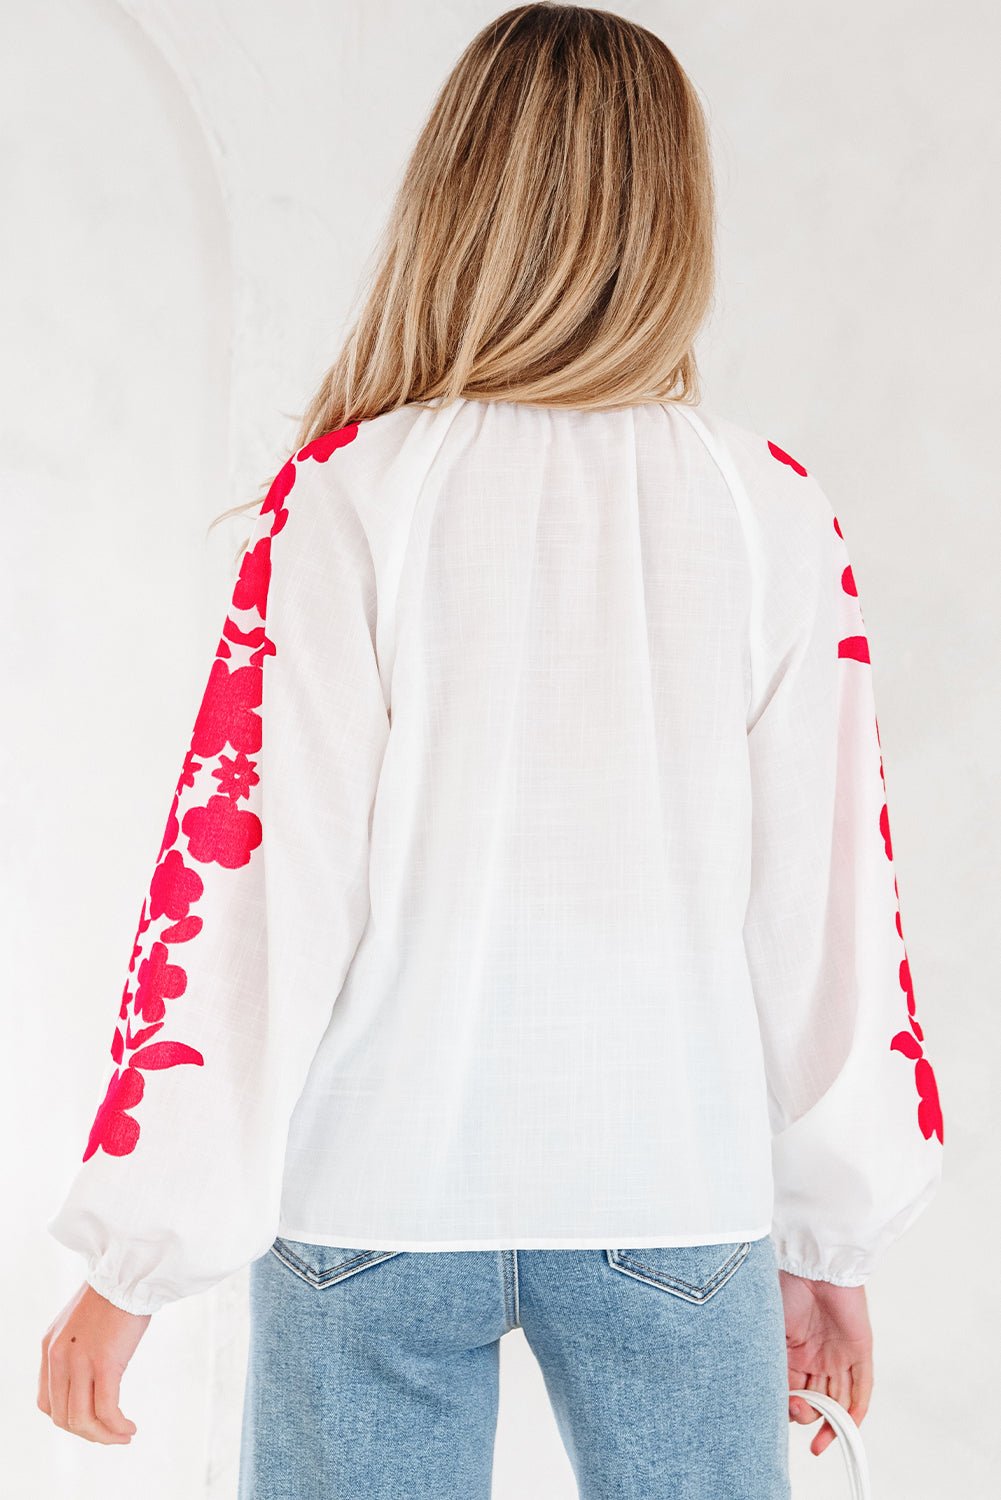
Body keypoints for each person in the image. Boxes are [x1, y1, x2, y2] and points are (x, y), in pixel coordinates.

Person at [38, 5, 944, 1497]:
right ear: (676, 218)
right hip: (673, 1187)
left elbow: (251, 892)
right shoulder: (767, 508)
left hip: (370, 1199)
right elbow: (834, 909)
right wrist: (829, 1237)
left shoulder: (349, 498)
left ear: (453, 201)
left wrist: (139, 1256)